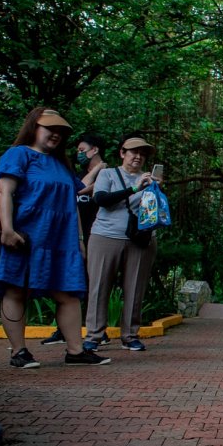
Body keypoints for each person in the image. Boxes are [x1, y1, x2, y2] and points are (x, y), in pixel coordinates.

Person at [0, 107, 111, 368]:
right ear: (34, 127)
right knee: (16, 290)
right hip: (27, 235)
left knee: (68, 293)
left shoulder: (60, 163)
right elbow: (4, 191)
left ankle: (76, 351)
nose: (55, 135)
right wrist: (7, 229)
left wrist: (79, 240)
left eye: (60, 132)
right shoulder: (19, 154)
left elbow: (74, 198)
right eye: (49, 129)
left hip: (60, 240)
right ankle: (19, 352)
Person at [84, 136, 160, 352]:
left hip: (140, 239)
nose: (138, 156)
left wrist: (155, 191)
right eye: (133, 151)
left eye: (142, 154)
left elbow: (154, 213)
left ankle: (130, 335)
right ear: (122, 153)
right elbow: (101, 200)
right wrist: (134, 189)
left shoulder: (148, 180)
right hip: (106, 236)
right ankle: (94, 335)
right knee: (99, 286)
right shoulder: (108, 174)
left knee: (135, 287)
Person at [41, 133, 110, 347]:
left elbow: (80, 189)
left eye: (82, 150)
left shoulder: (109, 174)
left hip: (98, 235)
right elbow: (77, 188)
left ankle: (97, 330)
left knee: (94, 284)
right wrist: (96, 169)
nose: (78, 154)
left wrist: (100, 171)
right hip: (73, 236)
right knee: (68, 281)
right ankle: (62, 329)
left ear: (95, 149)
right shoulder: (80, 173)